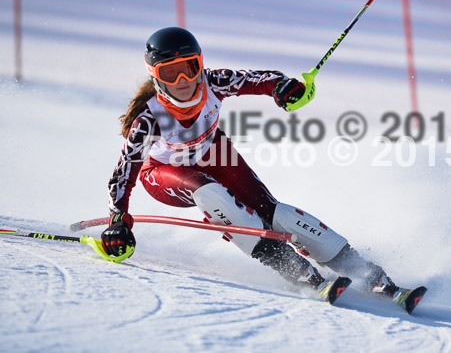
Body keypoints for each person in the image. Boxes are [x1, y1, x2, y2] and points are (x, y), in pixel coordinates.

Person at [101, 26, 400, 297]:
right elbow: (125, 171)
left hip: (211, 153)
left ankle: (363, 270)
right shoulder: (149, 120)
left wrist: (283, 88)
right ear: (155, 76)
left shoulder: (213, 83)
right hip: (164, 173)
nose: (183, 81)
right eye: (170, 73)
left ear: (200, 65)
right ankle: (292, 267)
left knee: (272, 213)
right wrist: (119, 220)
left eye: (189, 69)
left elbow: (255, 80)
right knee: (210, 193)